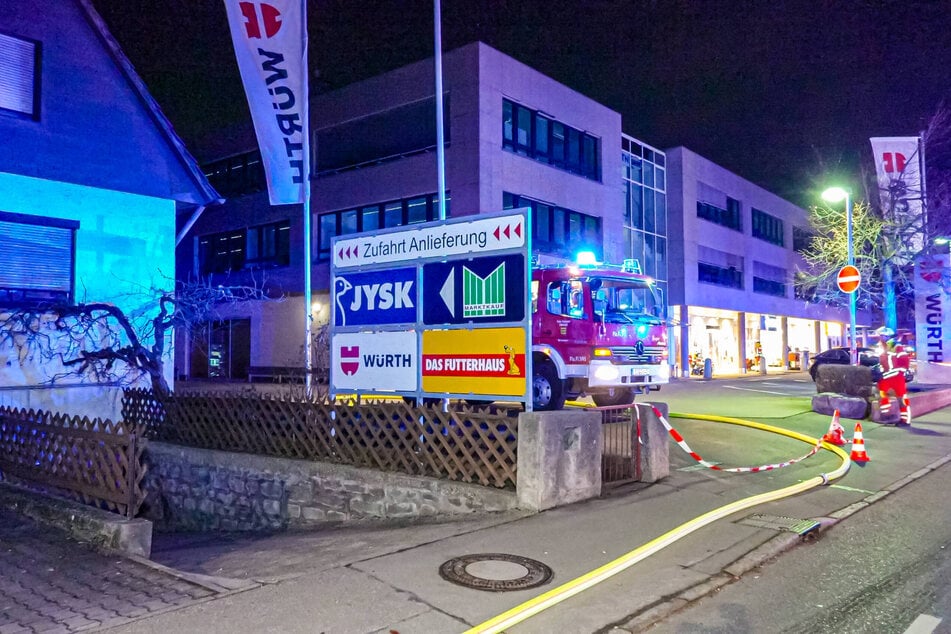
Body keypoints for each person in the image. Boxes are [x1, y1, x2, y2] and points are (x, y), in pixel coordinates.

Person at [874, 326, 910, 425]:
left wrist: (900, 371)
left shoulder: (896, 346)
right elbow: (881, 361)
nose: (880, 338)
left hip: (896, 377)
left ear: (886, 336)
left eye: (881, 336)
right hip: (885, 377)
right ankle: (886, 416)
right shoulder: (881, 347)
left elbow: (904, 361)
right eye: (879, 336)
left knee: (901, 398)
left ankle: (905, 420)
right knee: (881, 394)